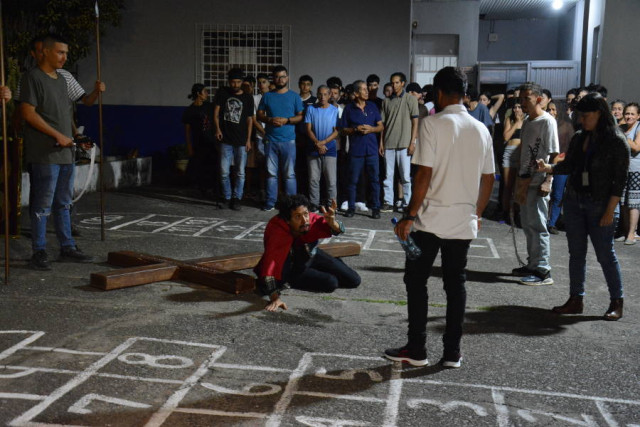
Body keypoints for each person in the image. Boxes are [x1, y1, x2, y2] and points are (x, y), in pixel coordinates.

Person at [384, 66, 494, 368]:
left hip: (429, 220)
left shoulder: (433, 124)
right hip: (462, 220)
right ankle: (452, 352)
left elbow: (423, 175)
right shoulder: (481, 129)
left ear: (440, 92)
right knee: (455, 285)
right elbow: (488, 178)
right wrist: (478, 212)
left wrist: (409, 215)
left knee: (416, 281)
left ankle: (417, 348)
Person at [536, 93, 628, 321]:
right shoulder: (579, 137)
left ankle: (617, 301)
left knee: (605, 255)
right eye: (580, 115)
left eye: (586, 116)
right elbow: (569, 165)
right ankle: (576, 299)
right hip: (575, 201)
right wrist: (548, 168)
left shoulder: (616, 139)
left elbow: (620, 180)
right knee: (576, 254)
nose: (581, 120)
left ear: (599, 113)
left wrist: (609, 211)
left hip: (601, 204)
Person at [19, 34, 94, 271]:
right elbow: (28, 113)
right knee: (42, 204)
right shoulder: (33, 77)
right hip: (45, 153)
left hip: (66, 152)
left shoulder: (62, 80)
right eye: (60, 52)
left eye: (66, 53)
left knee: (63, 203)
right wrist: (56, 136)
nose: (64, 57)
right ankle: (39, 251)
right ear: (46, 52)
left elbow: (65, 114)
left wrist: (74, 137)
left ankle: (67, 247)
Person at [255, 194, 361, 312]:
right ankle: (291, 281)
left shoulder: (310, 219)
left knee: (354, 280)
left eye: (306, 214)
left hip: (311, 255)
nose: (305, 220)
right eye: (297, 217)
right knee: (331, 283)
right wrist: (275, 298)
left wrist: (333, 223)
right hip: (291, 267)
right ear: (287, 220)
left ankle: (329, 266)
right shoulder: (277, 230)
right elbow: (271, 265)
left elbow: (338, 229)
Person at [512, 82, 559, 286]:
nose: (522, 103)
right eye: (521, 99)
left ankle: (543, 270)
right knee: (528, 224)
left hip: (539, 179)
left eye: (526, 99)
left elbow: (555, 154)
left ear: (539, 99)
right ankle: (532, 264)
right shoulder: (529, 121)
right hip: (525, 178)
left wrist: (548, 180)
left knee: (539, 225)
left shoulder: (547, 121)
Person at [257, 66, 304, 211]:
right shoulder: (267, 96)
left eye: (283, 76)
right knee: (271, 174)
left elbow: (301, 116)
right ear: (273, 79)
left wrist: (287, 121)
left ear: (287, 78)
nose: (280, 79)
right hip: (270, 140)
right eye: (277, 77)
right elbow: (259, 115)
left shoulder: (295, 96)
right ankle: (271, 202)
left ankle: (292, 205)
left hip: (289, 140)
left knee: (289, 174)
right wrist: (270, 120)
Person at [340, 80, 384, 219]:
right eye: (364, 89)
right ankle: (351, 207)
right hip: (356, 151)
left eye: (367, 89)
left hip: (371, 150)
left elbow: (381, 126)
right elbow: (343, 129)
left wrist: (372, 129)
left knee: (374, 180)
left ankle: (376, 207)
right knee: (352, 180)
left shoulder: (372, 106)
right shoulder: (349, 108)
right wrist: (355, 129)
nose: (367, 91)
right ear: (356, 93)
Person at [213, 68, 255, 210]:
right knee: (224, 171)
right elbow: (216, 113)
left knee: (240, 171)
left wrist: (249, 139)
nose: (235, 85)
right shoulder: (223, 93)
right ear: (229, 82)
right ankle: (226, 197)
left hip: (242, 140)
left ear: (242, 82)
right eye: (233, 82)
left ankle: (237, 198)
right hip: (226, 139)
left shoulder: (248, 97)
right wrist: (218, 129)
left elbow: (250, 119)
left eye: (238, 82)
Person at [380, 72, 419, 213]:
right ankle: (388, 202)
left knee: (405, 176)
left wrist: (412, 142)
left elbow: (415, 122)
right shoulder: (386, 101)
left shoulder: (411, 99)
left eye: (397, 82)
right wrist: (381, 143)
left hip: (404, 143)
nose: (394, 85)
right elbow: (383, 125)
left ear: (403, 83)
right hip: (389, 142)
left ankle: (407, 203)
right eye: (392, 82)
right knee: (388, 175)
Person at [305, 85, 339, 211]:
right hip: (313, 149)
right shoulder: (310, 109)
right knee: (313, 179)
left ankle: (332, 205)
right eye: (320, 94)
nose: (322, 97)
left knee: (331, 180)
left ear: (330, 95)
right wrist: (317, 143)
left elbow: (336, 131)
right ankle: (314, 204)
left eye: (325, 94)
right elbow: (308, 129)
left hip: (330, 148)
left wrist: (323, 142)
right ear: (317, 95)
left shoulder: (335, 110)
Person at [182, 83, 218, 199]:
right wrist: (189, 147)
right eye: (205, 91)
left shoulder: (209, 106)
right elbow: (187, 131)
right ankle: (201, 189)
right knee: (200, 168)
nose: (207, 93)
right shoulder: (190, 111)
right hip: (199, 144)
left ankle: (211, 189)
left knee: (212, 167)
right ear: (198, 93)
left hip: (211, 143)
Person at [547, 101, 575, 234]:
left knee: (559, 195)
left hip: (563, 165)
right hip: (550, 163)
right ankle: (551, 221)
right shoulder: (549, 124)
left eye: (554, 109)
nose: (551, 112)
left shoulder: (567, 125)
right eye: (549, 109)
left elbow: (572, 148)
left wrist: (562, 158)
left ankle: (553, 222)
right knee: (552, 194)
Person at [619, 102, 640, 244]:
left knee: (633, 202)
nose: (629, 116)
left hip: (635, 169)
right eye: (627, 113)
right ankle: (626, 231)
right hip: (622, 169)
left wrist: (624, 137)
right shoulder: (621, 128)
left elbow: (637, 147)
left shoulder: (638, 128)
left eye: (632, 114)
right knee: (623, 202)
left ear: (638, 116)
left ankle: (632, 233)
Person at [501, 100, 525, 223]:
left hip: (521, 154)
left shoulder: (528, 120)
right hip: (509, 152)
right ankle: (505, 213)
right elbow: (506, 137)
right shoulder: (509, 120)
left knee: (518, 186)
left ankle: (516, 213)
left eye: (519, 107)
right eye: (514, 107)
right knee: (507, 186)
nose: (516, 110)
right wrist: (517, 123)